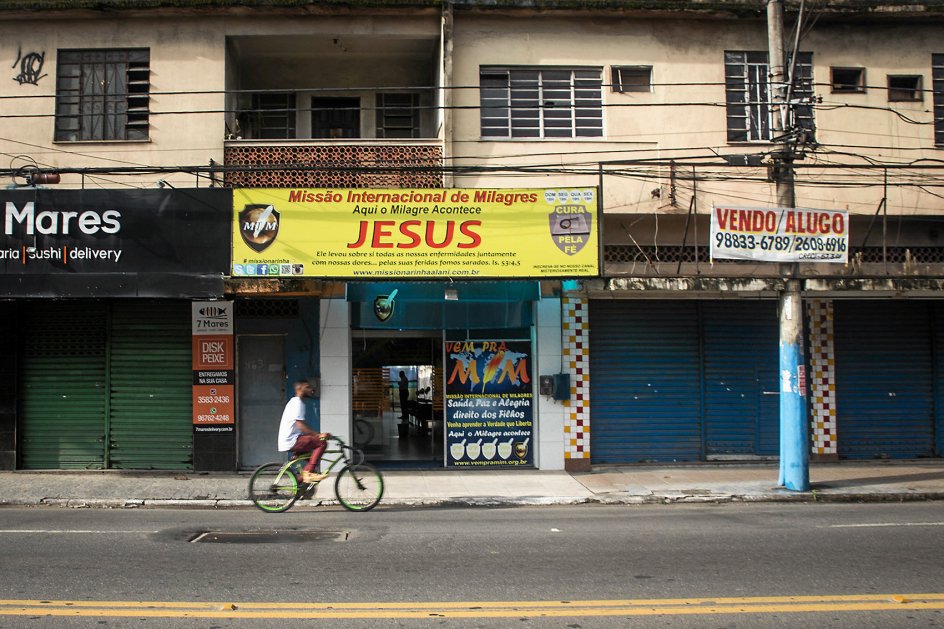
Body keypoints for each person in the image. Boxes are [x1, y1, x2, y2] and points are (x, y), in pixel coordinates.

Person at [278, 380, 330, 484]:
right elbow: (300, 425)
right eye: (308, 387)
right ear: (299, 389)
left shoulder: (295, 402)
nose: (311, 389)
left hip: (291, 439)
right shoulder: (297, 403)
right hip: (292, 440)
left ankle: (298, 486)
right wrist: (318, 435)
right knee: (321, 443)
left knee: (312, 461)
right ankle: (308, 474)